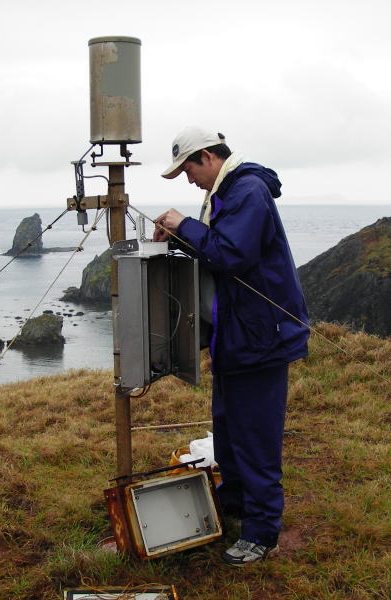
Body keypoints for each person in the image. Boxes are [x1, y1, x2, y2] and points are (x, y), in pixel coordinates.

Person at [154, 126, 310, 566]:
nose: (188, 180)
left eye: (188, 170)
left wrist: (182, 224)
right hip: (238, 333)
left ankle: (262, 532)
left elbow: (232, 256)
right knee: (227, 427)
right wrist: (184, 239)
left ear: (206, 156)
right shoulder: (228, 191)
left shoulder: (248, 190)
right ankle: (236, 502)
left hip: (261, 336)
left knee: (255, 436)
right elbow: (221, 253)